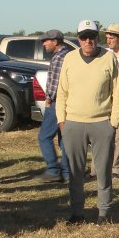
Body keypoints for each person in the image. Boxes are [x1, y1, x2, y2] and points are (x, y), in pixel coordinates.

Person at [56, 19, 119, 225]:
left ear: (98, 38)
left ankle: (104, 212)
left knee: (103, 171)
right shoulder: (69, 58)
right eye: (84, 37)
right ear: (78, 39)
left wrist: (113, 123)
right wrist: (62, 121)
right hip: (73, 122)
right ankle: (77, 212)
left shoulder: (108, 58)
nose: (88, 41)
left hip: (101, 122)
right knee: (75, 172)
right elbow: (62, 92)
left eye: (92, 37)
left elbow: (117, 92)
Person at [90, 23, 119, 179]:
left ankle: (115, 168)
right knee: (101, 135)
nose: (108, 40)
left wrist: (113, 75)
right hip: (106, 99)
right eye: (107, 37)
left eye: (112, 37)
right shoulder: (103, 53)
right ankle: (95, 169)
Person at [35, 29, 71, 184]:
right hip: (68, 103)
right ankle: (68, 173)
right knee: (65, 139)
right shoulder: (68, 55)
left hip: (57, 103)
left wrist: (49, 97)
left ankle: (53, 170)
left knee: (44, 137)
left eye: (46, 41)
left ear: (55, 41)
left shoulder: (59, 58)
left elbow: (56, 82)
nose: (44, 44)